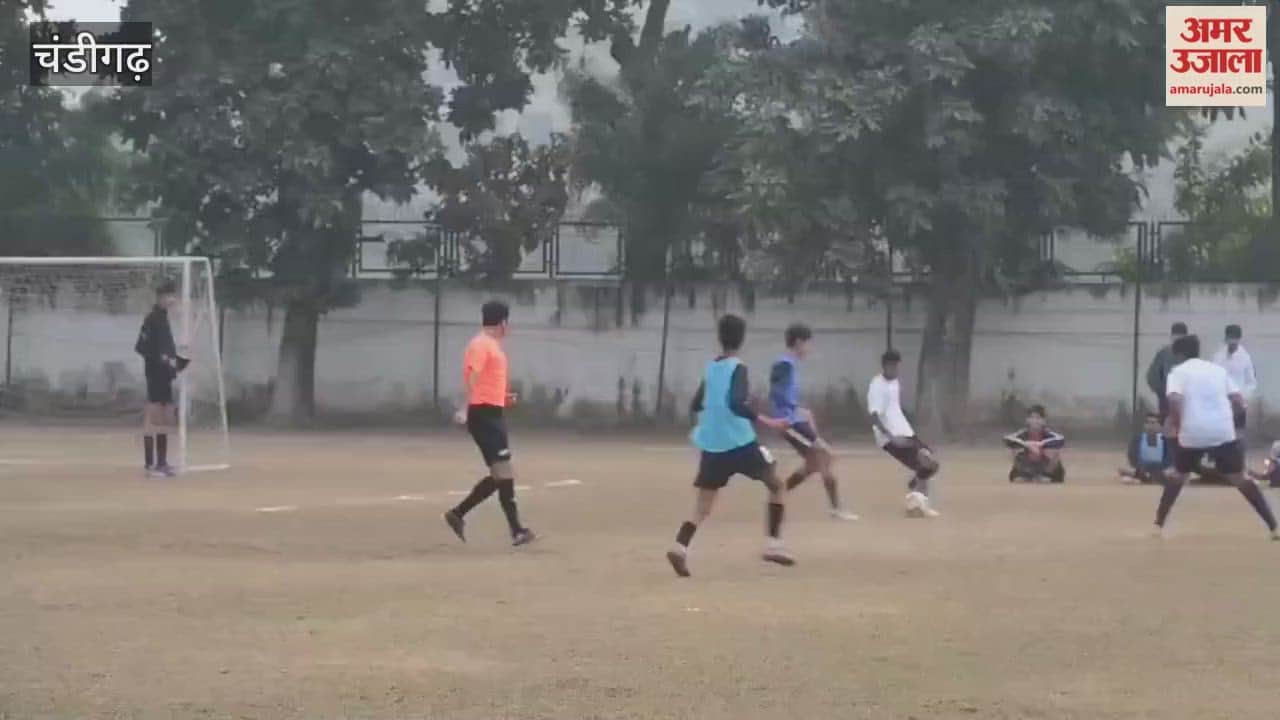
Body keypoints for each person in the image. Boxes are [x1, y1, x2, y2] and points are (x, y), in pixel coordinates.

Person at [666, 314, 793, 578]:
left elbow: (696, 404)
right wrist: (767, 419)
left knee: (702, 506)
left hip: (712, 446)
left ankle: (680, 546)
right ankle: (773, 545)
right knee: (777, 485)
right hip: (739, 442)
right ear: (742, 338)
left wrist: (711, 421)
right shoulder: (738, 367)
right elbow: (736, 403)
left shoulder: (711, 368)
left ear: (719, 338)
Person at [1151, 334, 1279, 540]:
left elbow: (1174, 399)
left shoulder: (1177, 372)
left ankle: (1158, 525)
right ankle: (1273, 527)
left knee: (1178, 476)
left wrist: (1174, 422)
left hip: (1191, 433)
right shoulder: (1218, 370)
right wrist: (1231, 422)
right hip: (1222, 431)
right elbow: (1238, 400)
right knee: (1240, 478)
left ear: (1180, 354)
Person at [443, 301, 536, 547]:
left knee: (501, 475)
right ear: (503, 322)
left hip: (493, 413)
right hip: (483, 416)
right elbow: (472, 375)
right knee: (504, 473)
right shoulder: (481, 345)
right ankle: (516, 531)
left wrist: (504, 397)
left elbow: (486, 381)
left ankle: (458, 514)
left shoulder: (492, 346)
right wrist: (466, 408)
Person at [769, 323, 858, 521]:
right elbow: (776, 393)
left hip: (793, 419)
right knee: (826, 456)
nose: (809, 349)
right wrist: (789, 414)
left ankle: (780, 492)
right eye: (808, 344)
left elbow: (783, 396)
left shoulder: (788, 364)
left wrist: (801, 411)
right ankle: (834, 508)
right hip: (789, 423)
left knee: (815, 463)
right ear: (799, 342)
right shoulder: (784, 364)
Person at [868, 350, 941, 518]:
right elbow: (873, 416)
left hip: (905, 432)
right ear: (886, 366)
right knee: (923, 464)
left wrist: (909, 430)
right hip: (891, 437)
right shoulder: (876, 386)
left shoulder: (895, 383)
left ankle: (915, 488)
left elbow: (895, 410)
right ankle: (919, 505)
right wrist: (890, 437)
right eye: (893, 366)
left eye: (898, 367)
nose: (896, 370)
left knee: (932, 463)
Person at [134, 281, 186, 478]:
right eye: (169, 296)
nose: (172, 300)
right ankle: (152, 463)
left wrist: (175, 362)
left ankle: (161, 462)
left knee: (165, 417)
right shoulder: (152, 319)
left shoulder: (164, 319)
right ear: (160, 297)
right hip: (155, 374)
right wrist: (161, 359)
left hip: (165, 375)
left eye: (173, 295)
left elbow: (166, 349)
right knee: (155, 417)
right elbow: (142, 347)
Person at [1213, 324, 1257, 436]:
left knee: (1238, 435)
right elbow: (1213, 378)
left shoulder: (1245, 358)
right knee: (1222, 436)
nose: (1232, 341)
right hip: (1222, 403)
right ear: (1226, 338)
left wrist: (1242, 399)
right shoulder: (1218, 356)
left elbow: (1251, 382)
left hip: (1239, 404)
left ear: (1239, 339)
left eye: (1234, 338)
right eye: (1230, 338)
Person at [1004, 405, 1066, 483]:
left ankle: (1046, 474)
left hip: (1046, 466)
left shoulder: (1049, 434)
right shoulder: (1023, 433)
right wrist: (1027, 444)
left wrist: (1040, 444)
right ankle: (1025, 474)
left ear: (1044, 421)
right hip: (1028, 465)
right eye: (1032, 418)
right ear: (1027, 420)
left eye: (1038, 418)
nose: (1035, 421)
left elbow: (1060, 439)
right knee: (1013, 448)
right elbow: (1008, 439)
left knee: (1054, 449)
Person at [1147, 322, 1188, 422]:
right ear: (1171, 336)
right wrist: (1161, 391)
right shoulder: (1164, 353)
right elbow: (1153, 375)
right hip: (1166, 399)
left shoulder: (1189, 354)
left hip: (1185, 399)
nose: (1177, 338)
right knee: (1166, 426)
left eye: (1180, 335)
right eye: (1175, 335)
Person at [1119, 412, 1173, 485]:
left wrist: (1160, 469)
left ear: (1160, 425)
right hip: (1142, 469)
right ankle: (1148, 477)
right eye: (1148, 423)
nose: (1150, 426)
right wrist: (1140, 468)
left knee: (1174, 471)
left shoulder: (1166, 440)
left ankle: (1144, 478)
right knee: (1122, 468)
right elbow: (1132, 457)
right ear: (1144, 425)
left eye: (1153, 423)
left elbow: (1169, 459)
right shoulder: (1137, 439)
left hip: (1161, 469)